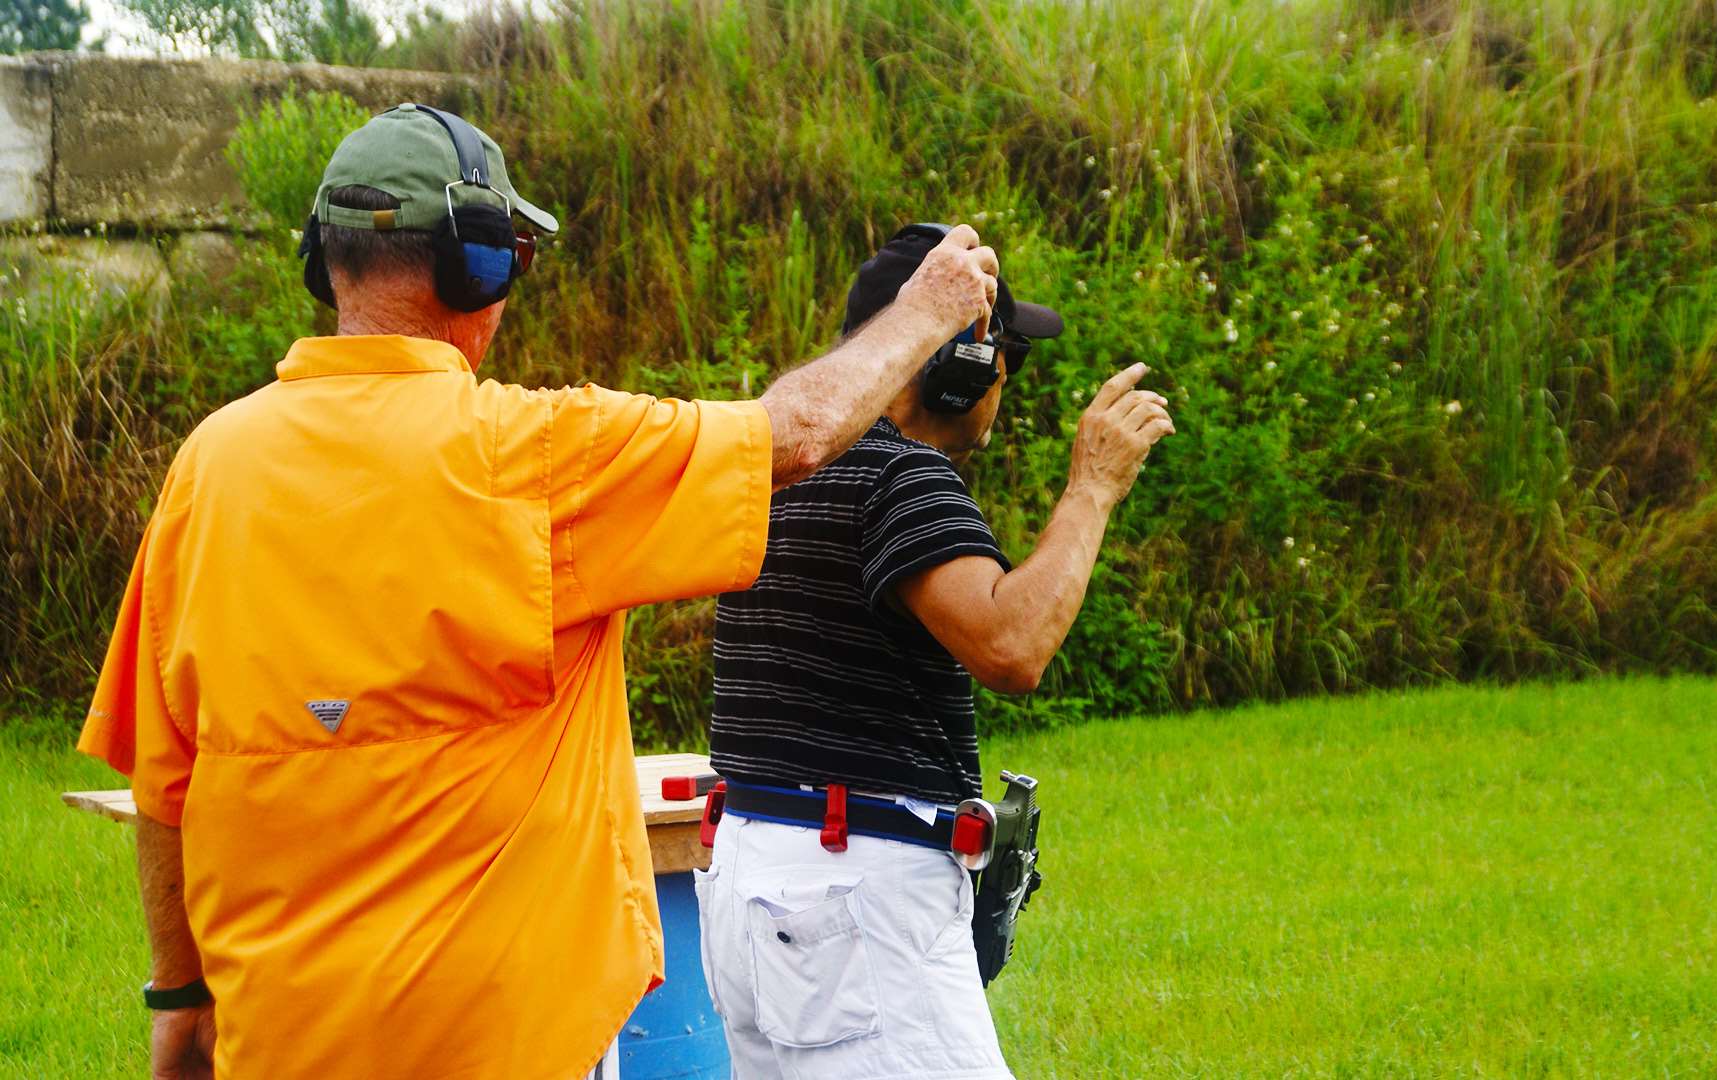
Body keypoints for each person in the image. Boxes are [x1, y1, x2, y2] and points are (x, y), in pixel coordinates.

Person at [76, 106, 1001, 1080]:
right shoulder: (534, 457)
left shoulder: (208, 469)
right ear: (478, 265)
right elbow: (796, 433)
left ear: (324, 261)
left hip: (275, 1045)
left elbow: (165, 780)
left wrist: (179, 996)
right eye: (511, 250)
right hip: (505, 1045)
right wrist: (930, 307)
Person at [697, 223, 1175, 1078]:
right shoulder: (897, 475)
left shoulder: (777, 473)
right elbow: (1012, 645)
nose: (1003, 382)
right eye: (1004, 356)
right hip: (852, 902)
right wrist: (1093, 486)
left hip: (750, 884)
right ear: (952, 363)